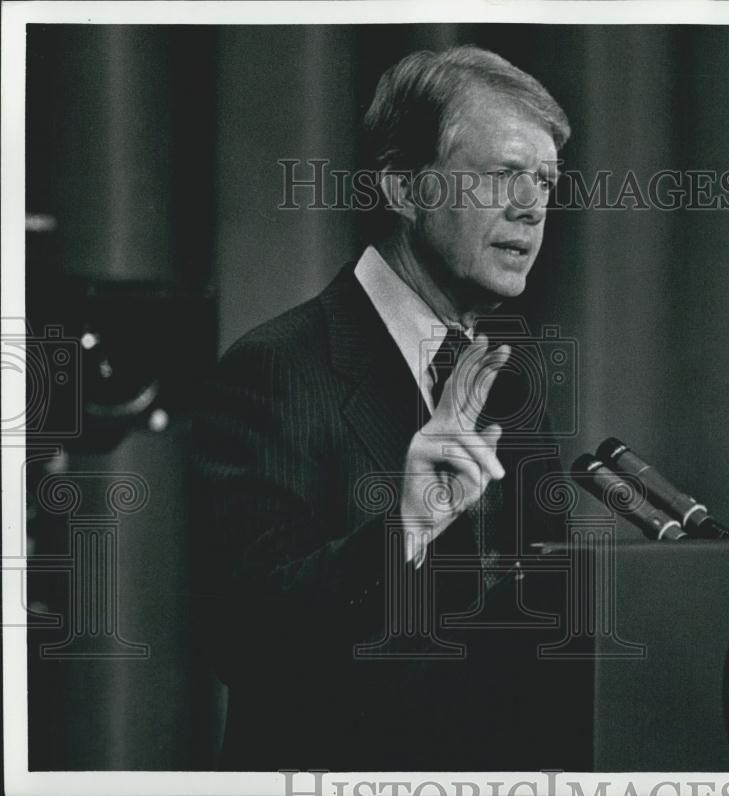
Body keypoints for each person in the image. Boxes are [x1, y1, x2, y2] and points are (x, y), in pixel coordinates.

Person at [191, 46, 585, 772]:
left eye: (545, 181)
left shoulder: (506, 380)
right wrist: (401, 529)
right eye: (503, 175)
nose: (532, 206)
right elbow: (240, 638)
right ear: (404, 189)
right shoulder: (273, 368)